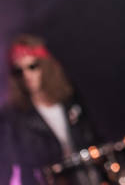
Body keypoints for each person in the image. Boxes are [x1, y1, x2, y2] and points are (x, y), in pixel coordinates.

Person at [0, 34, 98, 185]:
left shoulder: (69, 100)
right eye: (19, 71)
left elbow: (94, 138)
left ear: (44, 66)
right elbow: (12, 166)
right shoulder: (14, 118)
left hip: (90, 176)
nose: (27, 75)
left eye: (32, 66)